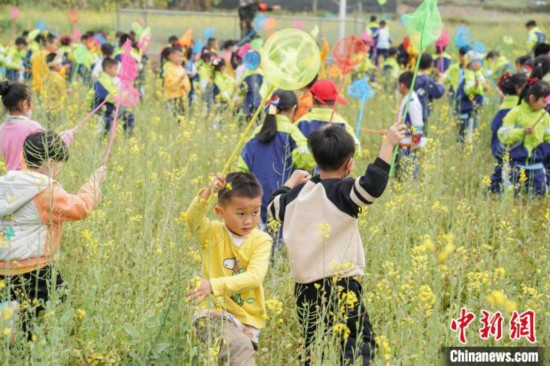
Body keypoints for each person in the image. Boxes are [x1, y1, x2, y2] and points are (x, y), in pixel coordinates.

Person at [267, 122, 407, 365]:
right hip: (340, 286)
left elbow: (272, 208)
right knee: (358, 344)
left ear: (316, 159)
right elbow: (372, 186)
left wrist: (290, 182)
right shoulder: (342, 193)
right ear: (349, 164)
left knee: (313, 345)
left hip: (304, 289)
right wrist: (388, 144)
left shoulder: (296, 196)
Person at [0, 131, 106, 338]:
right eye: (59, 165)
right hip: (33, 266)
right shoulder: (45, 191)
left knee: (17, 303)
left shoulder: (7, 183)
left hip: (3, 264)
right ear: (50, 161)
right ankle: (14, 331)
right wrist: (94, 183)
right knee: (56, 297)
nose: (60, 171)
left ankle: (9, 318)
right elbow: (80, 208)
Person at [184, 172, 272, 365]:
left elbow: (255, 277)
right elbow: (192, 219)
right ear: (220, 211)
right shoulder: (212, 232)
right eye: (241, 214)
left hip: (245, 320)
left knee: (233, 354)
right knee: (239, 348)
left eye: (256, 212)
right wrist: (209, 190)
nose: (249, 220)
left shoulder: (261, 240)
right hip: (212, 312)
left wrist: (212, 285)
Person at [237, 90, 315, 225]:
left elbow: (242, 167)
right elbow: (308, 161)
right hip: (284, 200)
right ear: (293, 109)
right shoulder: (292, 131)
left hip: (257, 200)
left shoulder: (257, 132)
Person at [0, 81, 74, 171]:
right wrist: (66, 138)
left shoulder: (2, 128)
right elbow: (49, 150)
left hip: (10, 179)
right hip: (28, 179)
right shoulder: (32, 126)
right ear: (25, 105)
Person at [498, 78, 550, 196]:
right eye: (543, 101)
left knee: (539, 195)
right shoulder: (515, 113)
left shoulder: (544, 116)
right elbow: (503, 135)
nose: (546, 105)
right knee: (513, 196)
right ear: (532, 98)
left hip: (536, 165)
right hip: (516, 164)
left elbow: (548, 136)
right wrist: (521, 132)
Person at [489, 72, 528, 194]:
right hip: (510, 152)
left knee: (501, 172)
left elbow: (494, 128)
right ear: (518, 89)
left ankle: (494, 192)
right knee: (508, 179)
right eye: (526, 87)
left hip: (502, 152)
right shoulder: (516, 109)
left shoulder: (504, 106)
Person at [296, 80, 360, 152]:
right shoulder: (343, 124)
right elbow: (356, 149)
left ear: (313, 99)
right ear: (334, 101)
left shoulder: (300, 123)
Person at [86, 57, 134, 137]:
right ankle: (126, 137)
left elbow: (114, 93)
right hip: (102, 111)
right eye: (115, 69)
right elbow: (107, 96)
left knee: (128, 115)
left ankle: (127, 138)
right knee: (102, 130)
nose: (117, 71)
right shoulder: (101, 81)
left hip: (108, 110)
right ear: (107, 69)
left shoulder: (109, 80)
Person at [455, 51, 490, 142]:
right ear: (471, 64)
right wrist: (476, 85)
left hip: (474, 108)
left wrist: (485, 86)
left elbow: (483, 87)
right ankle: (465, 149)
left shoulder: (478, 73)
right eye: (478, 61)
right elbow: (468, 89)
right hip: (468, 109)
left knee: (472, 129)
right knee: (467, 133)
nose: (480, 63)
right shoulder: (468, 75)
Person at [395, 71, 424, 177]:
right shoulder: (407, 98)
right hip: (404, 142)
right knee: (404, 171)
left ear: (402, 85)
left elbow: (418, 125)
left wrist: (415, 143)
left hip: (409, 144)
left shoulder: (412, 102)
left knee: (410, 172)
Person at [414, 52, 445, 136]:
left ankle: (411, 147)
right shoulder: (428, 80)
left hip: (410, 113)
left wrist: (433, 78)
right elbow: (438, 93)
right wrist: (440, 83)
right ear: (431, 65)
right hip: (422, 113)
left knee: (411, 136)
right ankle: (418, 148)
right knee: (420, 137)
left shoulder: (412, 77)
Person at [163, 47, 191, 122]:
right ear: (171, 56)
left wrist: (185, 87)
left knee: (182, 118)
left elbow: (187, 84)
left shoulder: (181, 69)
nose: (180, 58)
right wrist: (179, 80)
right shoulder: (169, 68)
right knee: (173, 118)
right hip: (172, 97)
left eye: (182, 56)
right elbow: (169, 85)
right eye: (178, 56)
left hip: (181, 96)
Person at [42, 53, 68, 122]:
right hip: (56, 108)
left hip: (46, 107)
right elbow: (63, 94)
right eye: (59, 64)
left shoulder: (46, 76)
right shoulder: (59, 78)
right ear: (54, 66)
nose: (61, 66)